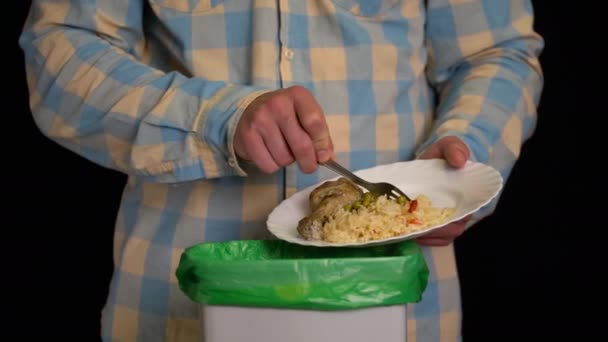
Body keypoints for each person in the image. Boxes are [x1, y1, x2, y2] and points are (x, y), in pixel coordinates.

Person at [19, 0, 543, 341]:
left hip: (394, 303)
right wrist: (216, 118)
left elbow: (496, 51)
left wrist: (465, 159)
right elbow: (59, 51)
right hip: (177, 302)